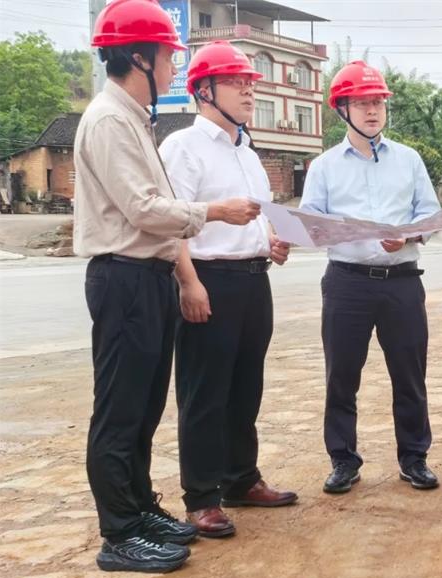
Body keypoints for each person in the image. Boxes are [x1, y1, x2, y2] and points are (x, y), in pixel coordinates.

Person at [74, 0, 259, 573]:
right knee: (120, 411)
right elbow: (143, 209)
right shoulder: (109, 120)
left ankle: (138, 510)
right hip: (124, 276)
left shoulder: (133, 118)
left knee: (144, 406)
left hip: (147, 276)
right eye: (166, 55)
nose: (173, 66)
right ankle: (119, 533)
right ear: (138, 57)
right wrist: (214, 212)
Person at [159, 41, 297, 540]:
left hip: (253, 280)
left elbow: (255, 218)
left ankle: (241, 478)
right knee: (204, 393)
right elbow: (172, 223)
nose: (248, 89)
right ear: (204, 91)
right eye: (236, 82)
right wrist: (189, 282)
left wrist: (271, 241)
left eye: (249, 82)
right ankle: (201, 497)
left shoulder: (248, 152)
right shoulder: (182, 147)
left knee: (245, 387)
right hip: (208, 280)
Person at [300, 61, 441, 494]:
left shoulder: (409, 160)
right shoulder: (324, 166)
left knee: (410, 374)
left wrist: (409, 235)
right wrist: (339, 230)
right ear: (342, 109)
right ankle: (343, 459)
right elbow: (309, 223)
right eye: (362, 103)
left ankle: (414, 457)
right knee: (341, 376)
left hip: (402, 281)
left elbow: (430, 215)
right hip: (347, 282)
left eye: (378, 101)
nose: (373, 110)